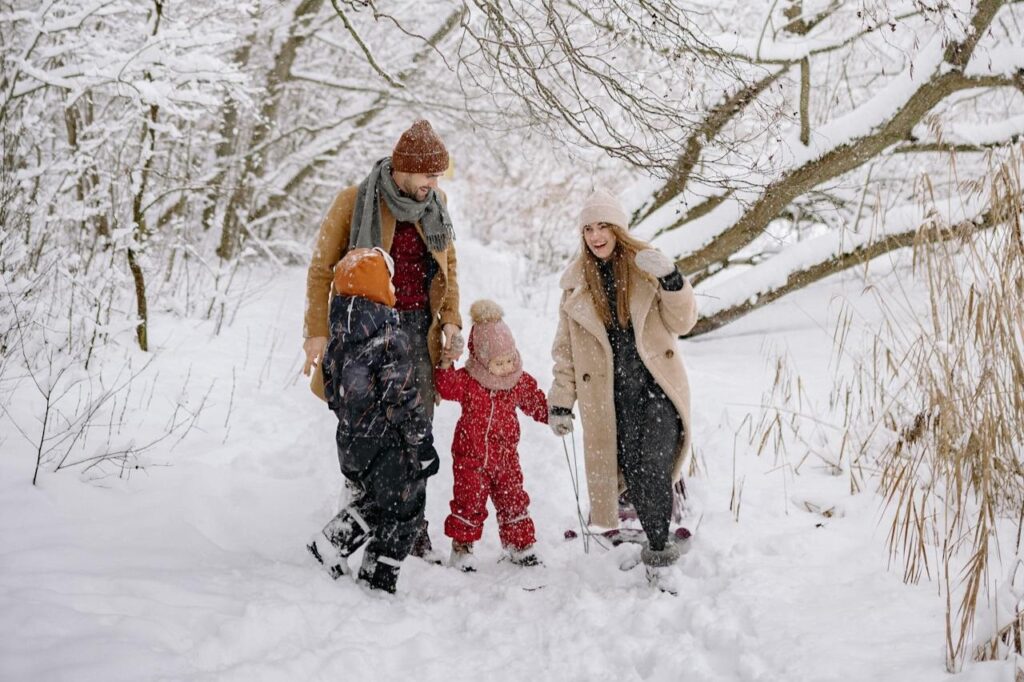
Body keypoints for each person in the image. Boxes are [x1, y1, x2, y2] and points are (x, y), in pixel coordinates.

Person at [302, 119, 463, 561]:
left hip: (420, 332)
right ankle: (359, 514)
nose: (434, 183)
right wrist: (316, 332)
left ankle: (413, 529)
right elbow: (321, 269)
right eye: (428, 174)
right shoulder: (355, 202)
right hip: (365, 331)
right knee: (368, 433)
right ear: (404, 169)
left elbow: (450, 266)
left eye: (437, 176)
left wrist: (451, 320)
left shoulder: (437, 204)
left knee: (416, 432)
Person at [548, 188, 698, 594]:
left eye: (603, 227)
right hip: (612, 400)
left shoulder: (646, 267)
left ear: (618, 230)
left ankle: (661, 555)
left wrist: (671, 278)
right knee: (633, 473)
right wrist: (561, 401)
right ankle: (656, 531)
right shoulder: (575, 284)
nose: (596, 236)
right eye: (588, 228)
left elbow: (683, 321)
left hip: (657, 388)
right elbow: (566, 352)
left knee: (651, 467)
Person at [307, 247, 440, 594]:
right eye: (390, 282)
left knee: (380, 501)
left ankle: (342, 551)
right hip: (387, 442)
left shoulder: (339, 337)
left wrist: (355, 420)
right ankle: (375, 574)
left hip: (351, 441)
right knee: (405, 507)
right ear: (380, 289)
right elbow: (402, 398)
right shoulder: (388, 338)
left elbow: (332, 393)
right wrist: (421, 441)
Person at [435, 300, 549, 572]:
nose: (508, 366)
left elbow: (534, 400)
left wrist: (553, 414)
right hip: (471, 458)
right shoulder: (470, 381)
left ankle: (519, 545)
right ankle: (462, 549)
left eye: (511, 359)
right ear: (483, 361)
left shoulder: (517, 380)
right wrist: (447, 361)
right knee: (468, 502)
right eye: (500, 363)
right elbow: (446, 386)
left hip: (506, 457)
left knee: (513, 498)